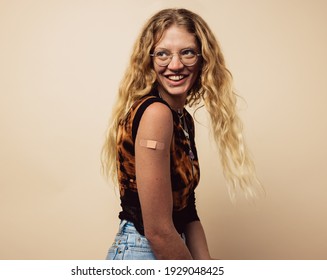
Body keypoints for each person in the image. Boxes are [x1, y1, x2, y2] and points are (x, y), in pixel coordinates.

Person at [101, 8, 261, 260]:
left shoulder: (182, 118)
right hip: (145, 251)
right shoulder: (156, 114)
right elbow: (158, 231)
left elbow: (187, 211)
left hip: (171, 247)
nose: (175, 65)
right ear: (149, 60)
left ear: (203, 58)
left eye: (187, 52)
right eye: (163, 54)